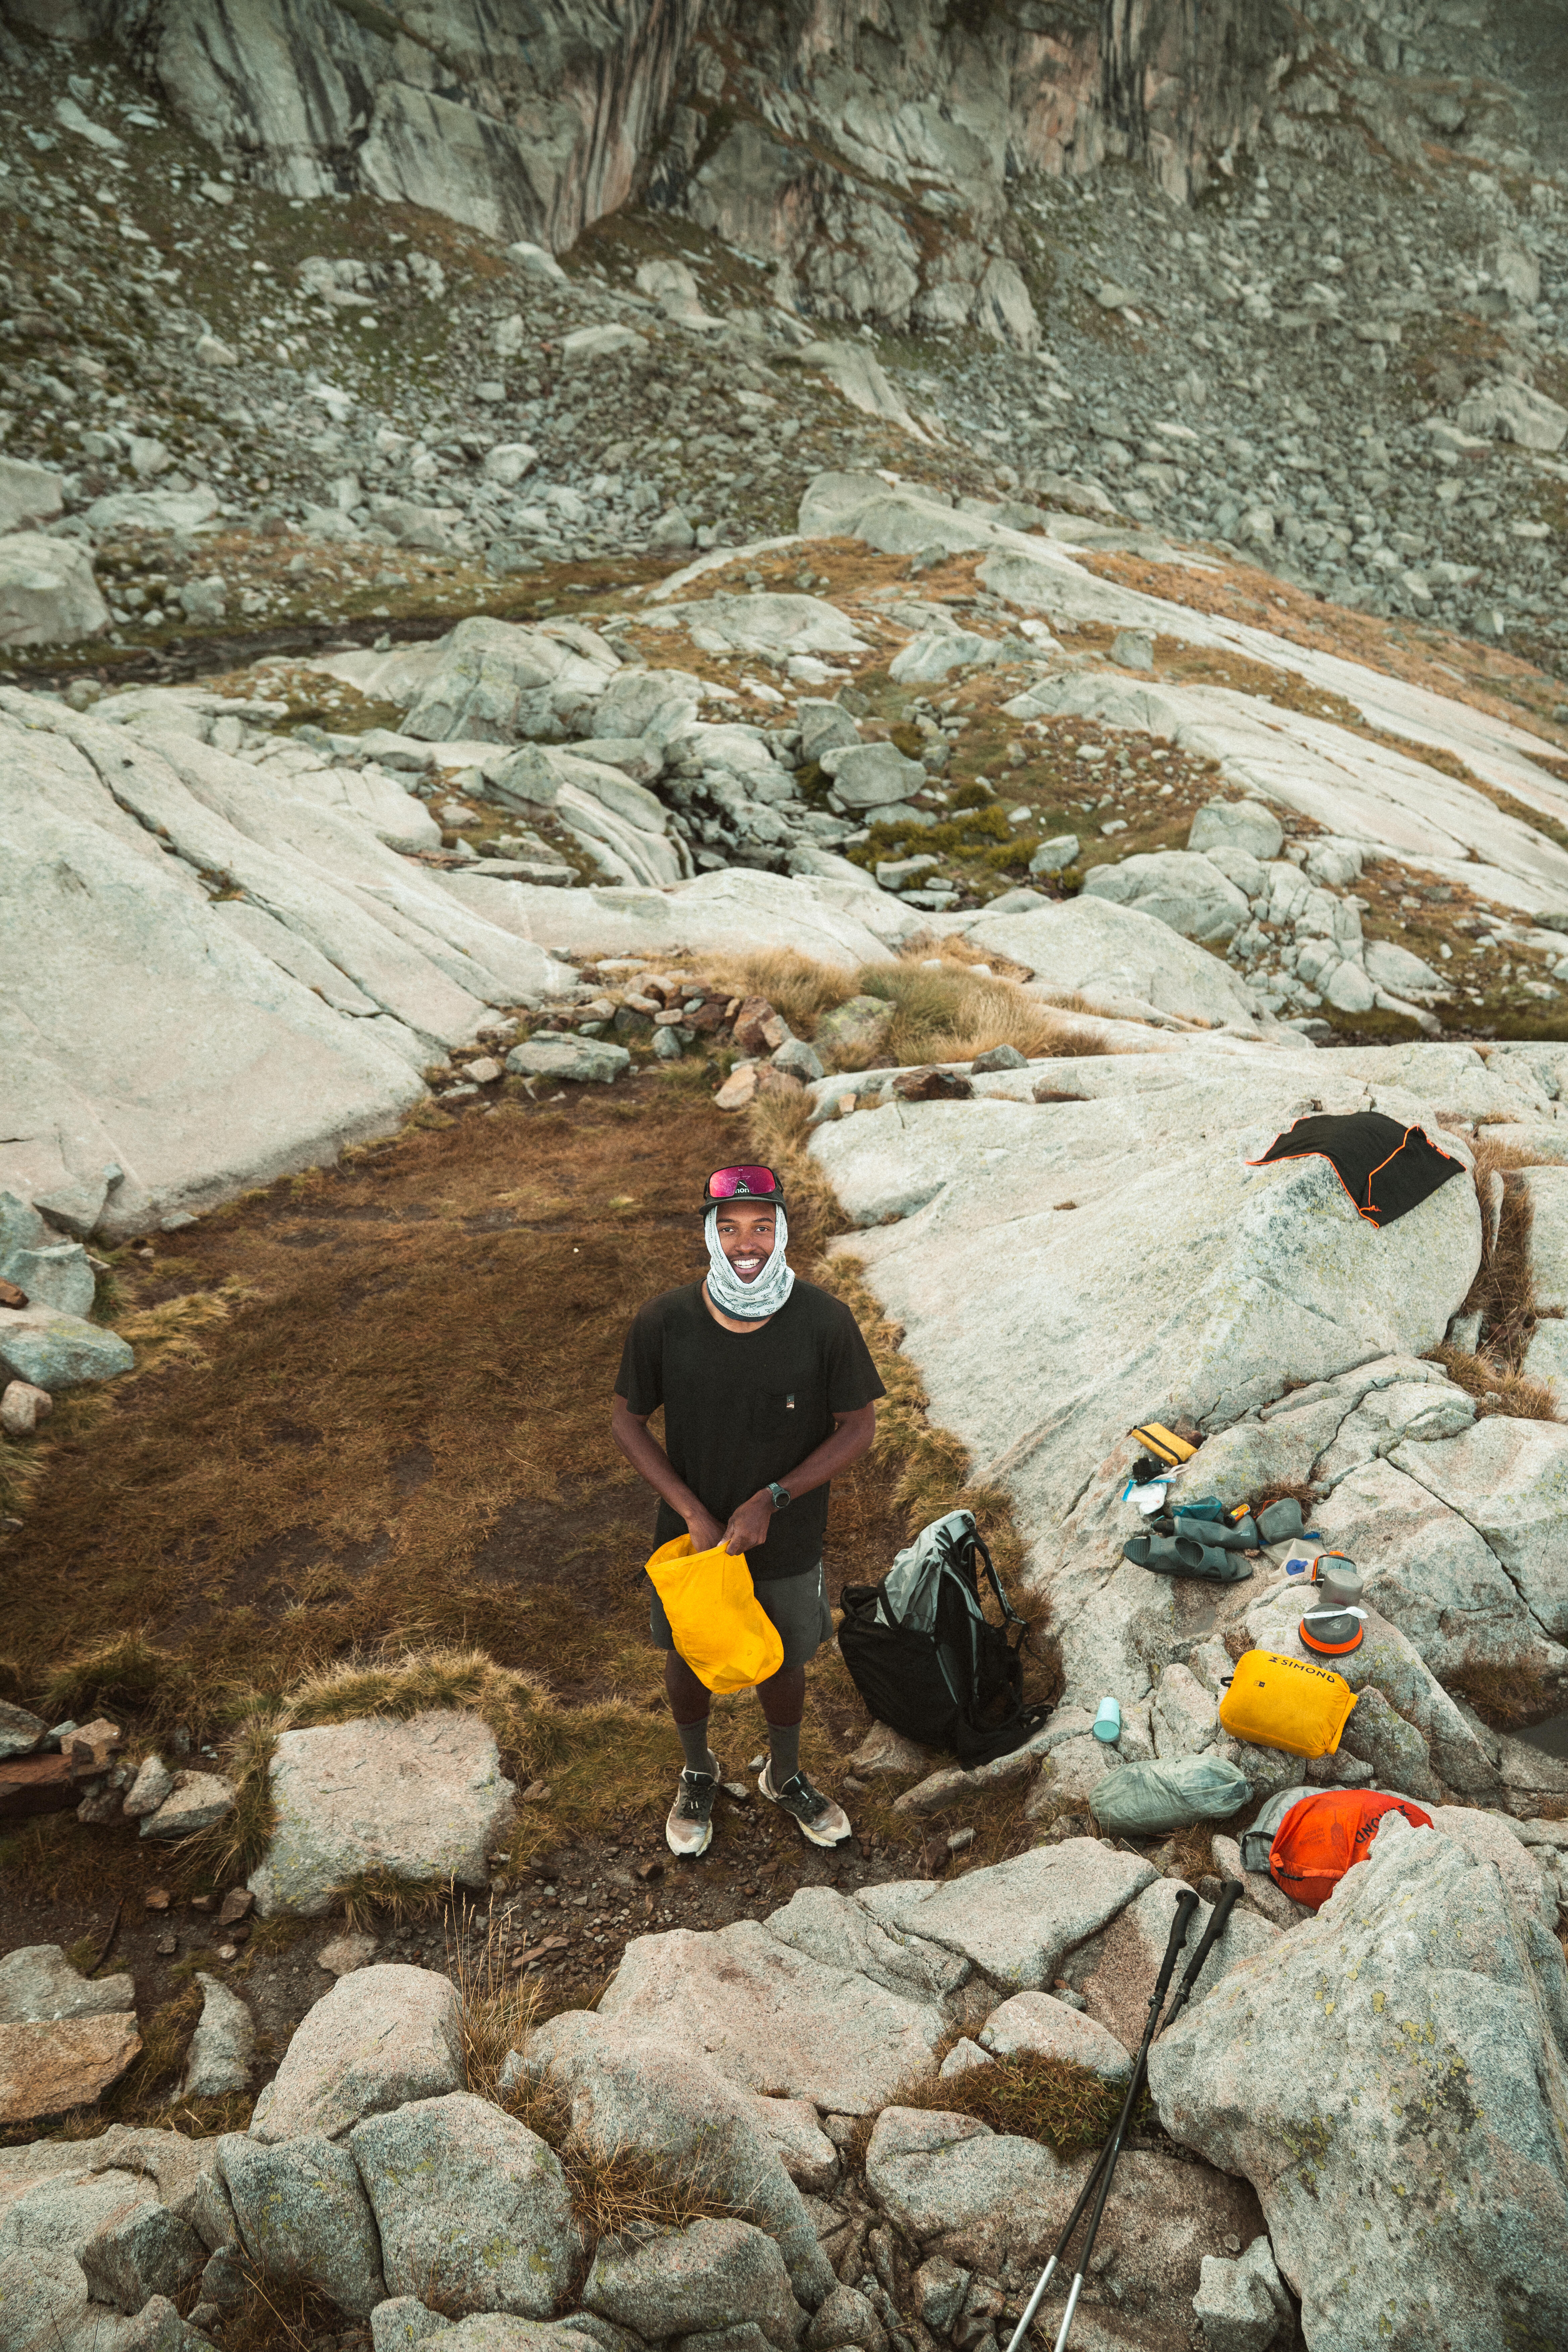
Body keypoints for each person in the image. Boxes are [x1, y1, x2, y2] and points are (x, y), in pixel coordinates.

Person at [612, 1163, 885, 1858]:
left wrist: (773, 1497)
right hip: (691, 1539)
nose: (746, 1243)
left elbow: (857, 1426)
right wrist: (691, 1513)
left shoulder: (824, 1321)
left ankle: (785, 1774)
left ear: (782, 1231)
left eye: (761, 1227)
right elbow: (626, 1421)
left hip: (788, 1536)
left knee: (784, 1659)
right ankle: (698, 1771)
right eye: (729, 1228)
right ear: (709, 1233)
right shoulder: (665, 1320)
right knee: (685, 1654)